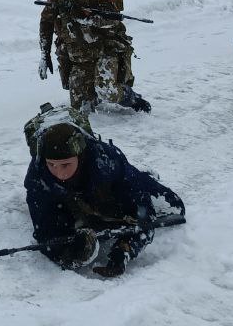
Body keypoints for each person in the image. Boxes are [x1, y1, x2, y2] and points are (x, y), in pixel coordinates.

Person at [24, 117, 185, 278]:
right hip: (74, 201)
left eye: (66, 165)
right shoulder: (38, 175)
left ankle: (145, 175)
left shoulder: (106, 162)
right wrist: (71, 253)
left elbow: (145, 215)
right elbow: (45, 232)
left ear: (80, 156)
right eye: (51, 165)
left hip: (116, 186)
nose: (59, 173)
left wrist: (125, 248)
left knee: (174, 206)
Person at [38, 0, 150, 112]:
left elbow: (112, 19)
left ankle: (133, 99)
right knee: (80, 106)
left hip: (106, 49)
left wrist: (84, 16)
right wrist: (44, 54)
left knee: (107, 91)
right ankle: (92, 93)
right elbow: (46, 22)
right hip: (81, 55)